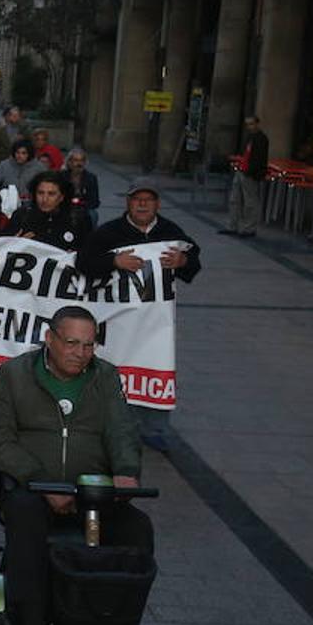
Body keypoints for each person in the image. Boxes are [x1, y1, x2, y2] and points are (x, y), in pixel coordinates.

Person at [0, 305, 152, 625]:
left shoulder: (105, 377)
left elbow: (122, 429)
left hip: (93, 492)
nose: (80, 353)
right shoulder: (16, 375)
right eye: (72, 343)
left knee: (137, 529)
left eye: (89, 345)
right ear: (50, 339)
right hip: (35, 487)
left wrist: (125, 473)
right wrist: (40, 481)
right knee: (26, 520)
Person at [76, 179, 201, 453]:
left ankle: (154, 428)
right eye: (137, 199)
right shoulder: (109, 232)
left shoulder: (170, 231)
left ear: (157, 203)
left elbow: (194, 260)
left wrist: (183, 262)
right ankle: (112, 427)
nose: (143, 204)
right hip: (118, 322)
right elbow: (83, 263)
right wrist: (113, 262)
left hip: (155, 324)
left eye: (149, 199)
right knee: (115, 372)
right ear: (128, 202)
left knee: (155, 370)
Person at [4, 171, 92, 252]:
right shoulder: (22, 216)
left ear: (62, 197)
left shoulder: (78, 219)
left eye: (51, 194)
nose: (45, 199)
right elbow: (1, 248)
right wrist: (16, 244)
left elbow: (89, 254)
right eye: (40, 193)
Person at [220, 115, 268, 238]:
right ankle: (232, 225)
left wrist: (251, 172)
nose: (249, 127)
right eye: (247, 124)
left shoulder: (262, 139)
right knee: (234, 199)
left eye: (251, 124)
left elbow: (260, 159)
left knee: (250, 202)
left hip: (250, 173)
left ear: (257, 124)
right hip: (242, 170)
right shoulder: (249, 137)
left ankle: (249, 228)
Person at [65, 147, 100, 227]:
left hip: (84, 207)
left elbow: (95, 201)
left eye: (81, 160)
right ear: (69, 162)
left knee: (93, 215)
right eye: (76, 160)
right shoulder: (62, 176)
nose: (79, 164)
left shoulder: (91, 178)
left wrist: (81, 204)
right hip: (65, 206)